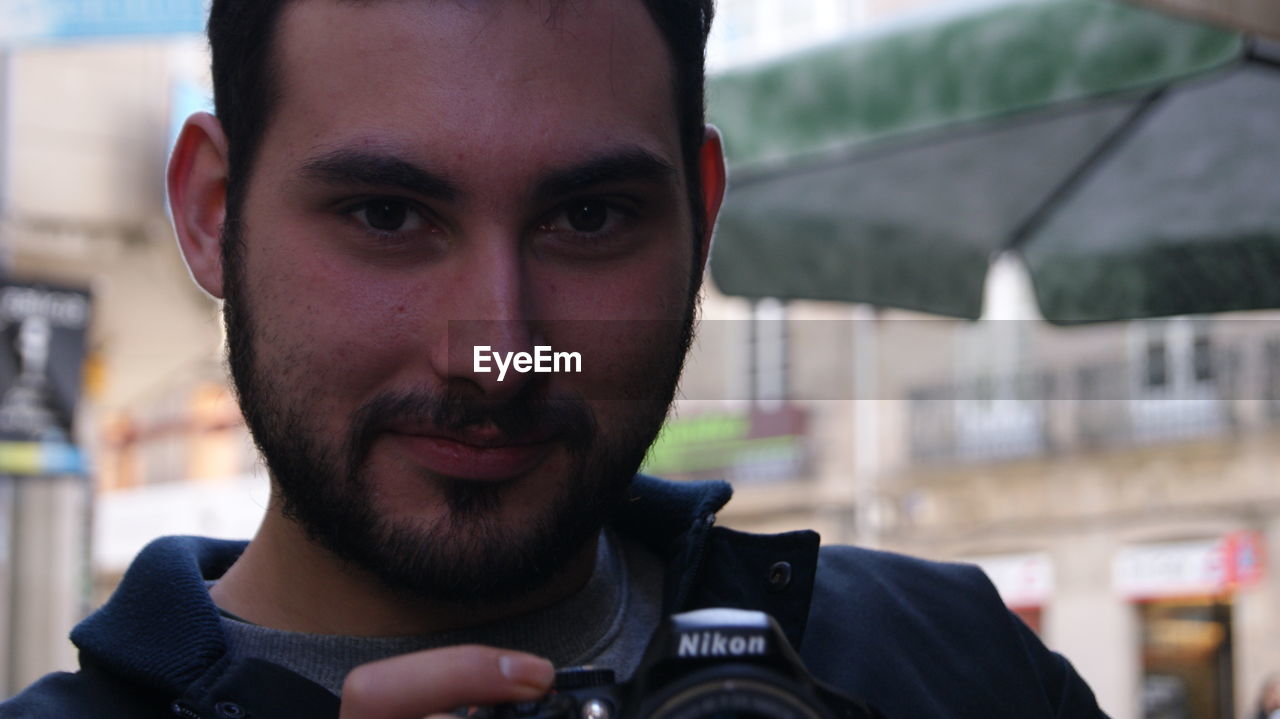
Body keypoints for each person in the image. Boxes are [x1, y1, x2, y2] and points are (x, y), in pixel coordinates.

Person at [1, 1, 1108, 717]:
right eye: (387, 215)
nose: (499, 348)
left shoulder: (946, 663)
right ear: (211, 211)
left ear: (700, 217)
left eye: (587, 218)